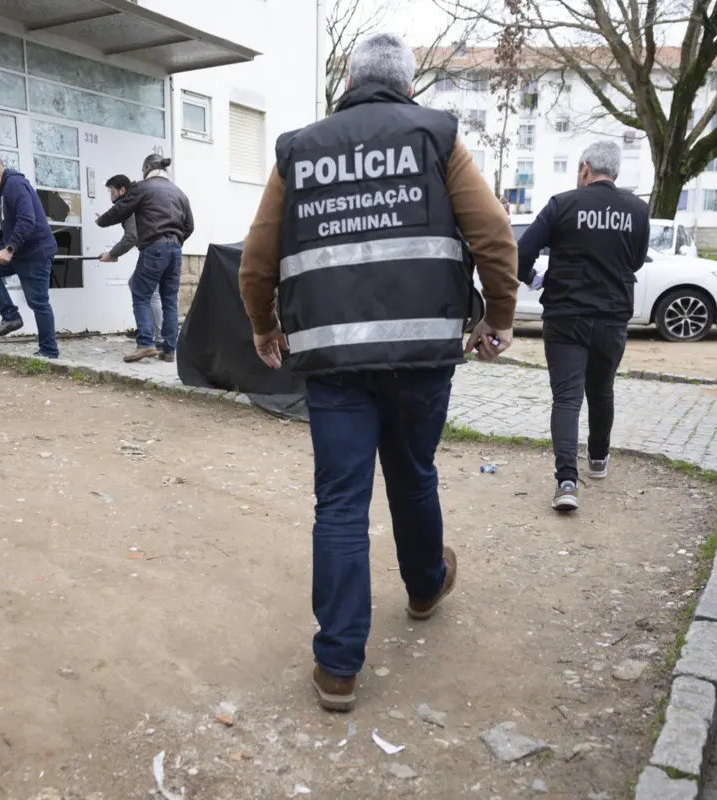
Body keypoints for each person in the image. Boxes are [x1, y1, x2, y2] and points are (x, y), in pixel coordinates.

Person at [238, 32, 519, 713]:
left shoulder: (299, 149)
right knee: (412, 472)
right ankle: (425, 587)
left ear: (350, 82)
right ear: (408, 85)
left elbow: (257, 258)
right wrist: (499, 317)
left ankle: (337, 667)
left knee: (339, 502)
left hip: (333, 361)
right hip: (421, 354)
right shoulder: (436, 136)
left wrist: (263, 324)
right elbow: (493, 235)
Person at [516, 140, 650, 512]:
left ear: (586, 168)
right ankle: (598, 459)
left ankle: (566, 482)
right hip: (612, 315)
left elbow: (522, 252)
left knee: (567, 398)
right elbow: (636, 261)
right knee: (602, 389)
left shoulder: (562, 204)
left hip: (565, 316)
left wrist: (532, 278)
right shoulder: (637, 210)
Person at [96, 154, 194, 363]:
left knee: (141, 294)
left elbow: (120, 210)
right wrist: (174, 242)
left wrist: (100, 221)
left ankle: (146, 344)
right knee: (170, 301)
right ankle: (169, 350)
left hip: (154, 248)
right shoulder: (179, 193)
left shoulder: (143, 187)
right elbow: (190, 226)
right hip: (176, 250)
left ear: (147, 167)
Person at [0, 155, 60, 359]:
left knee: (38, 302)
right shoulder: (4, 190)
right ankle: (11, 317)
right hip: (21, 252)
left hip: (35, 253)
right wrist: (2, 247)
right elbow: (12, 226)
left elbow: (27, 220)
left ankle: (49, 351)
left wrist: (10, 248)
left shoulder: (14, 184)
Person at [100, 174, 164, 351]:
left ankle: (157, 337)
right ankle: (154, 333)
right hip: (165, 248)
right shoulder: (140, 199)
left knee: (150, 293)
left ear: (121, 190)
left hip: (153, 250)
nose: (110, 195)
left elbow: (130, 237)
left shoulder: (131, 202)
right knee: (145, 288)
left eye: (111, 190)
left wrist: (112, 254)